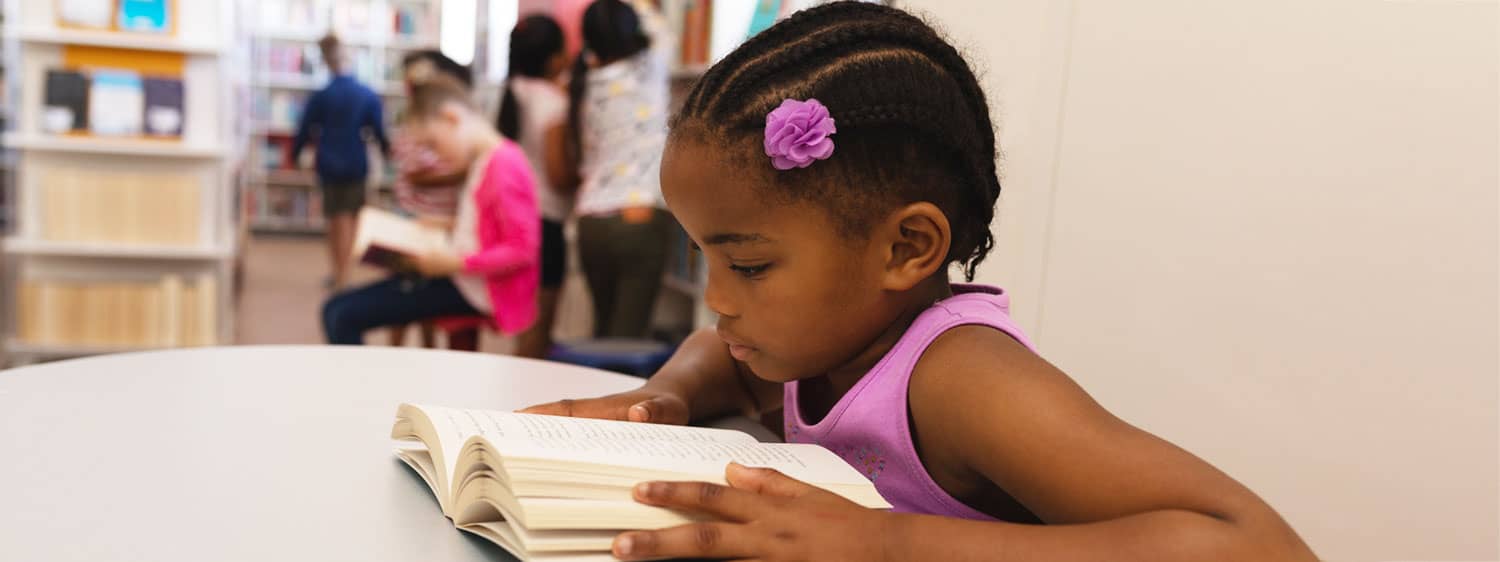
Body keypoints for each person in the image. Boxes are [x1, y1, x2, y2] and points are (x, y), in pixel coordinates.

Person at [522, 3, 1319, 561]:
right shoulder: (817, 345)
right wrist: (671, 398)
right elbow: (718, 351)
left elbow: (1257, 543)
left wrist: (888, 543)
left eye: (752, 265)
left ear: (907, 247)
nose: (720, 298)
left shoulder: (962, 378)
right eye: (704, 258)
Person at [322, 77, 540, 345]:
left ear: (452, 119)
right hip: (462, 277)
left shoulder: (504, 164)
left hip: (472, 286)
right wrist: (443, 224)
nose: (437, 156)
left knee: (342, 314)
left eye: (434, 145)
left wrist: (453, 264)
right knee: (336, 309)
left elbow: (523, 249)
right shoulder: (487, 159)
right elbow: (485, 223)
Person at [565, 0, 674, 339]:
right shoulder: (647, 68)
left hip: (590, 221)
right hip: (637, 214)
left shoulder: (584, 83)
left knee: (602, 333)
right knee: (628, 338)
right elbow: (657, 24)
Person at [386, 50, 475, 347]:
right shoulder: (416, 123)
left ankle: (426, 349)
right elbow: (413, 174)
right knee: (403, 295)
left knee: (423, 300)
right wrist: (461, 173)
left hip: (438, 218)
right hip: (418, 217)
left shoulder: (429, 121)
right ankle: (396, 351)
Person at [497, 15, 574, 358]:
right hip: (545, 222)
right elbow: (558, 175)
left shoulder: (507, 93)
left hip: (511, 218)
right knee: (539, 329)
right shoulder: (552, 103)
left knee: (523, 320)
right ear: (554, 59)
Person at [292, 33, 390, 290]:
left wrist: (296, 153)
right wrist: (386, 150)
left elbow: (305, 128)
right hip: (355, 162)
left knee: (335, 219)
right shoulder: (366, 94)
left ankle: (339, 272)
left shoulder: (323, 95)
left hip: (329, 161)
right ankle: (344, 272)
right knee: (350, 218)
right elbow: (378, 130)